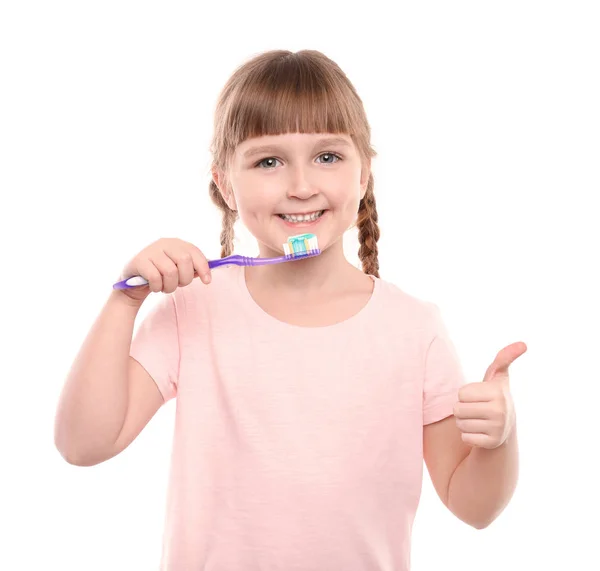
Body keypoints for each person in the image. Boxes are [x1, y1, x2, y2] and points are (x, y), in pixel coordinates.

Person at [54, 49, 497, 571]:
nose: (301, 185)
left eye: (327, 157)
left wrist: (499, 441)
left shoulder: (414, 328)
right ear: (225, 186)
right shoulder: (192, 310)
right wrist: (123, 301)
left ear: (364, 175)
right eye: (269, 161)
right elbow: (82, 445)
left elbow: (474, 508)